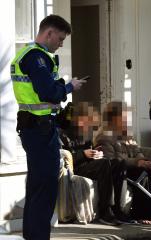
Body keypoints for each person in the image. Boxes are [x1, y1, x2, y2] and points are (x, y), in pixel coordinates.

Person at [10, 15, 86, 240]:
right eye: (60, 39)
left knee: (37, 186)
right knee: (45, 189)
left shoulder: (29, 55)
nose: (61, 44)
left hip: (35, 128)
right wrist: (69, 87)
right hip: (40, 130)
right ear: (48, 33)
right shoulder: (37, 58)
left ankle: (33, 235)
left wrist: (64, 85)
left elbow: (43, 89)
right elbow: (47, 93)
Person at [94, 101, 151, 224]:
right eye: (124, 117)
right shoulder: (104, 137)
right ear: (113, 118)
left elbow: (137, 150)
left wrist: (142, 159)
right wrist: (137, 162)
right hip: (117, 172)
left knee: (146, 171)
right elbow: (113, 161)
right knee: (141, 173)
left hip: (130, 167)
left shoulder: (127, 135)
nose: (128, 120)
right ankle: (141, 214)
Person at [59, 102, 128, 226]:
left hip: (88, 165)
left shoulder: (86, 134)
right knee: (104, 165)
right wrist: (84, 154)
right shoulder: (64, 135)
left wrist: (96, 155)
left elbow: (90, 153)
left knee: (118, 163)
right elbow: (65, 159)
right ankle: (105, 211)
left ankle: (117, 208)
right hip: (77, 168)